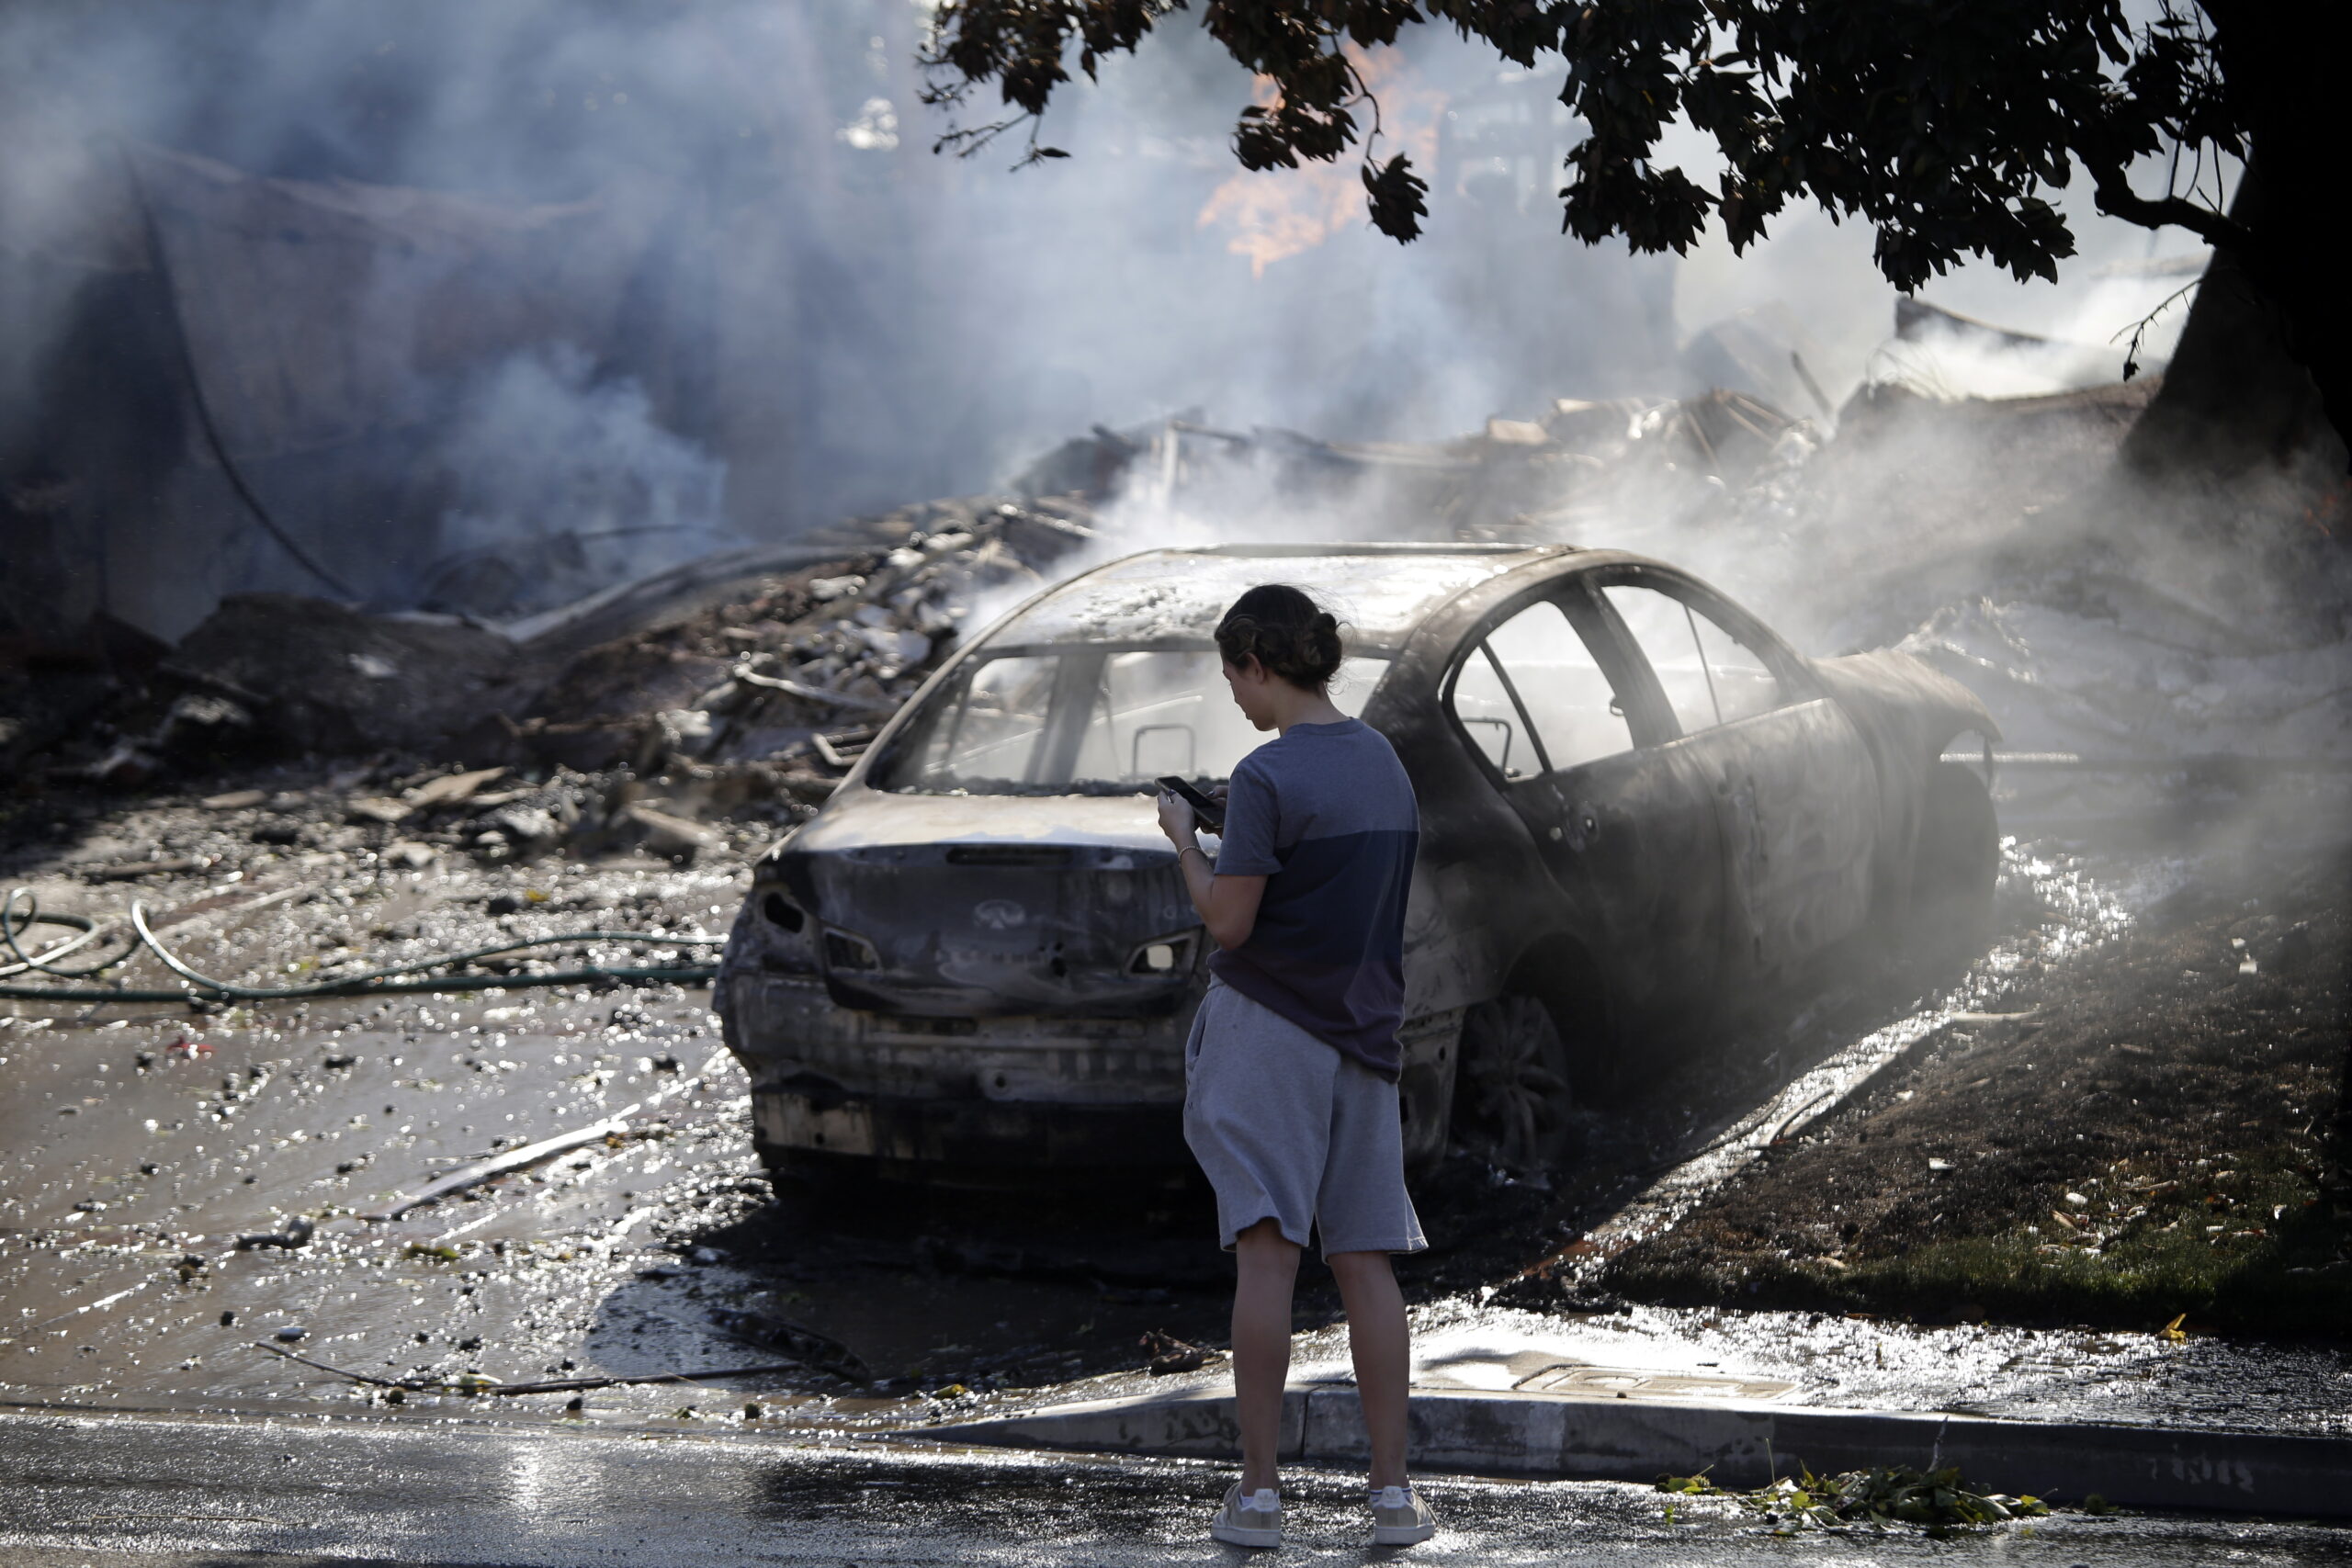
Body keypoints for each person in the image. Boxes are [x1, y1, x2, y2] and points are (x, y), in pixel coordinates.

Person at [1155, 582, 1436, 1550]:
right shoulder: (1383, 763)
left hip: (1271, 1028)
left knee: (1267, 1256)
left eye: (1234, 676)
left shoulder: (1267, 777)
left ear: (1258, 666)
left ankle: (1262, 1497)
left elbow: (1231, 919)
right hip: (1365, 1033)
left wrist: (1190, 842)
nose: (1234, 697)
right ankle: (1393, 1498)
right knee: (1366, 1261)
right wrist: (1251, 832)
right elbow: (1338, 879)